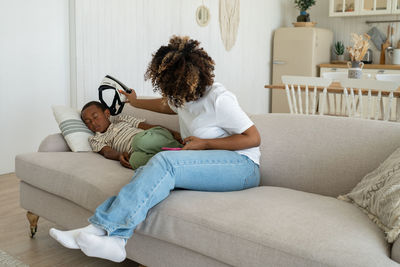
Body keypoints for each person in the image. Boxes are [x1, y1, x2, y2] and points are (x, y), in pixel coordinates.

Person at [49, 35, 261, 262]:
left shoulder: (219, 99)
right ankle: (113, 239)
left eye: (175, 91)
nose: (173, 98)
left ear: (190, 80)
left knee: (164, 161)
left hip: (242, 167)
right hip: (208, 162)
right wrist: (135, 102)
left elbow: (253, 137)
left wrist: (206, 143)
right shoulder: (181, 96)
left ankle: (101, 231)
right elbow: (165, 105)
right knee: (148, 170)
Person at [81, 101, 183, 169]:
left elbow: (148, 127)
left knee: (139, 141)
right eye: (88, 122)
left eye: (95, 117)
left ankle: (181, 149)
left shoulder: (121, 119)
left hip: (150, 136)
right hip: (137, 151)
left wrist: (174, 133)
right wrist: (119, 156)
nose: (93, 123)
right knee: (134, 160)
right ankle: (172, 163)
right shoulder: (95, 139)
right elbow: (107, 152)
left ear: (107, 113)